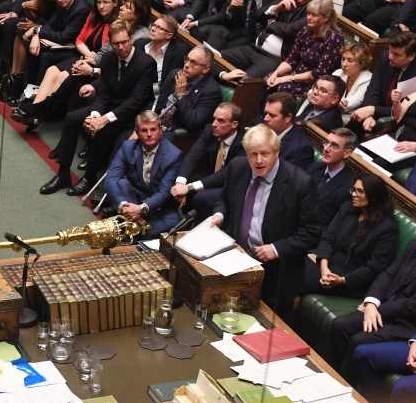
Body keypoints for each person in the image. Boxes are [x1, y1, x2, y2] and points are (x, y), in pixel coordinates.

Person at [208, 123, 319, 315]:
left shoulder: (300, 183)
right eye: (253, 154)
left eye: (264, 154)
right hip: (237, 262)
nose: (258, 160)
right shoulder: (238, 167)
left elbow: (312, 232)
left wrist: (276, 249)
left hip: (277, 275)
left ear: (276, 152)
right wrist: (220, 214)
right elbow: (223, 198)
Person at [40, 19, 158, 196]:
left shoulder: (146, 63)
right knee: (72, 118)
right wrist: (95, 115)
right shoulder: (109, 58)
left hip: (130, 115)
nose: (120, 47)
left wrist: (104, 119)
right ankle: (63, 174)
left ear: (132, 39)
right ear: (110, 43)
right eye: (116, 43)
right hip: (108, 106)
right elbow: (103, 93)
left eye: (124, 42)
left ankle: (89, 177)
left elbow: (136, 101)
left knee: (104, 130)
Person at [326, 221, 416, 379]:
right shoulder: (413, 247)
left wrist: (377, 309)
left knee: (359, 340)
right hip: (380, 309)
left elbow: (414, 305)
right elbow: (388, 274)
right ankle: (326, 376)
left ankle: (343, 387)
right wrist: (371, 302)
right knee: (340, 325)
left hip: (405, 323)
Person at [305, 172, 398, 300]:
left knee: (296, 278)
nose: (354, 194)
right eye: (353, 190)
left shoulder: (387, 228)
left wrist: (341, 280)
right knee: (288, 266)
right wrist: (324, 267)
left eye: (360, 191)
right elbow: (328, 238)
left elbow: (373, 268)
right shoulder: (347, 209)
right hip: (326, 263)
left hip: (349, 279)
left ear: (374, 197)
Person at [104, 111, 184, 238]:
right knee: (121, 183)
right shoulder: (127, 147)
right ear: (136, 131)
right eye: (144, 130)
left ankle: (133, 231)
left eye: (153, 129)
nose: (149, 134)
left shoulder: (174, 155)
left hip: (158, 205)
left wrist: (141, 209)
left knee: (174, 221)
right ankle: (135, 227)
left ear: (161, 130)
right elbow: (110, 180)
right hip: (133, 198)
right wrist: (123, 205)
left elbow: (163, 191)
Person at [264, 0, 343, 100]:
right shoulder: (305, 30)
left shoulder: (334, 38)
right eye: (308, 14)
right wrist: (276, 74)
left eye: (314, 15)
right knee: (268, 79)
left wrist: (286, 79)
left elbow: (320, 72)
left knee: (283, 89)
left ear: (326, 18)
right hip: (296, 74)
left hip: (315, 82)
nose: (309, 17)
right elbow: (291, 60)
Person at [348, 31, 416, 136]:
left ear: (411, 56)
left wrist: (373, 110)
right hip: (373, 110)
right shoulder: (385, 58)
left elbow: (406, 109)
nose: (390, 57)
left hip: (397, 121)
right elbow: (373, 90)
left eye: (397, 54)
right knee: (346, 133)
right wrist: (369, 115)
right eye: (390, 51)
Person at [335, 43, 372, 123]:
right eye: (343, 59)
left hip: (349, 120)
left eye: (350, 61)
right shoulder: (339, 73)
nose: (344, 64)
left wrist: (330, 99)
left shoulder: (368, 80)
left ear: (362, 63)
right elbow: (313, 91)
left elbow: (347, 107)